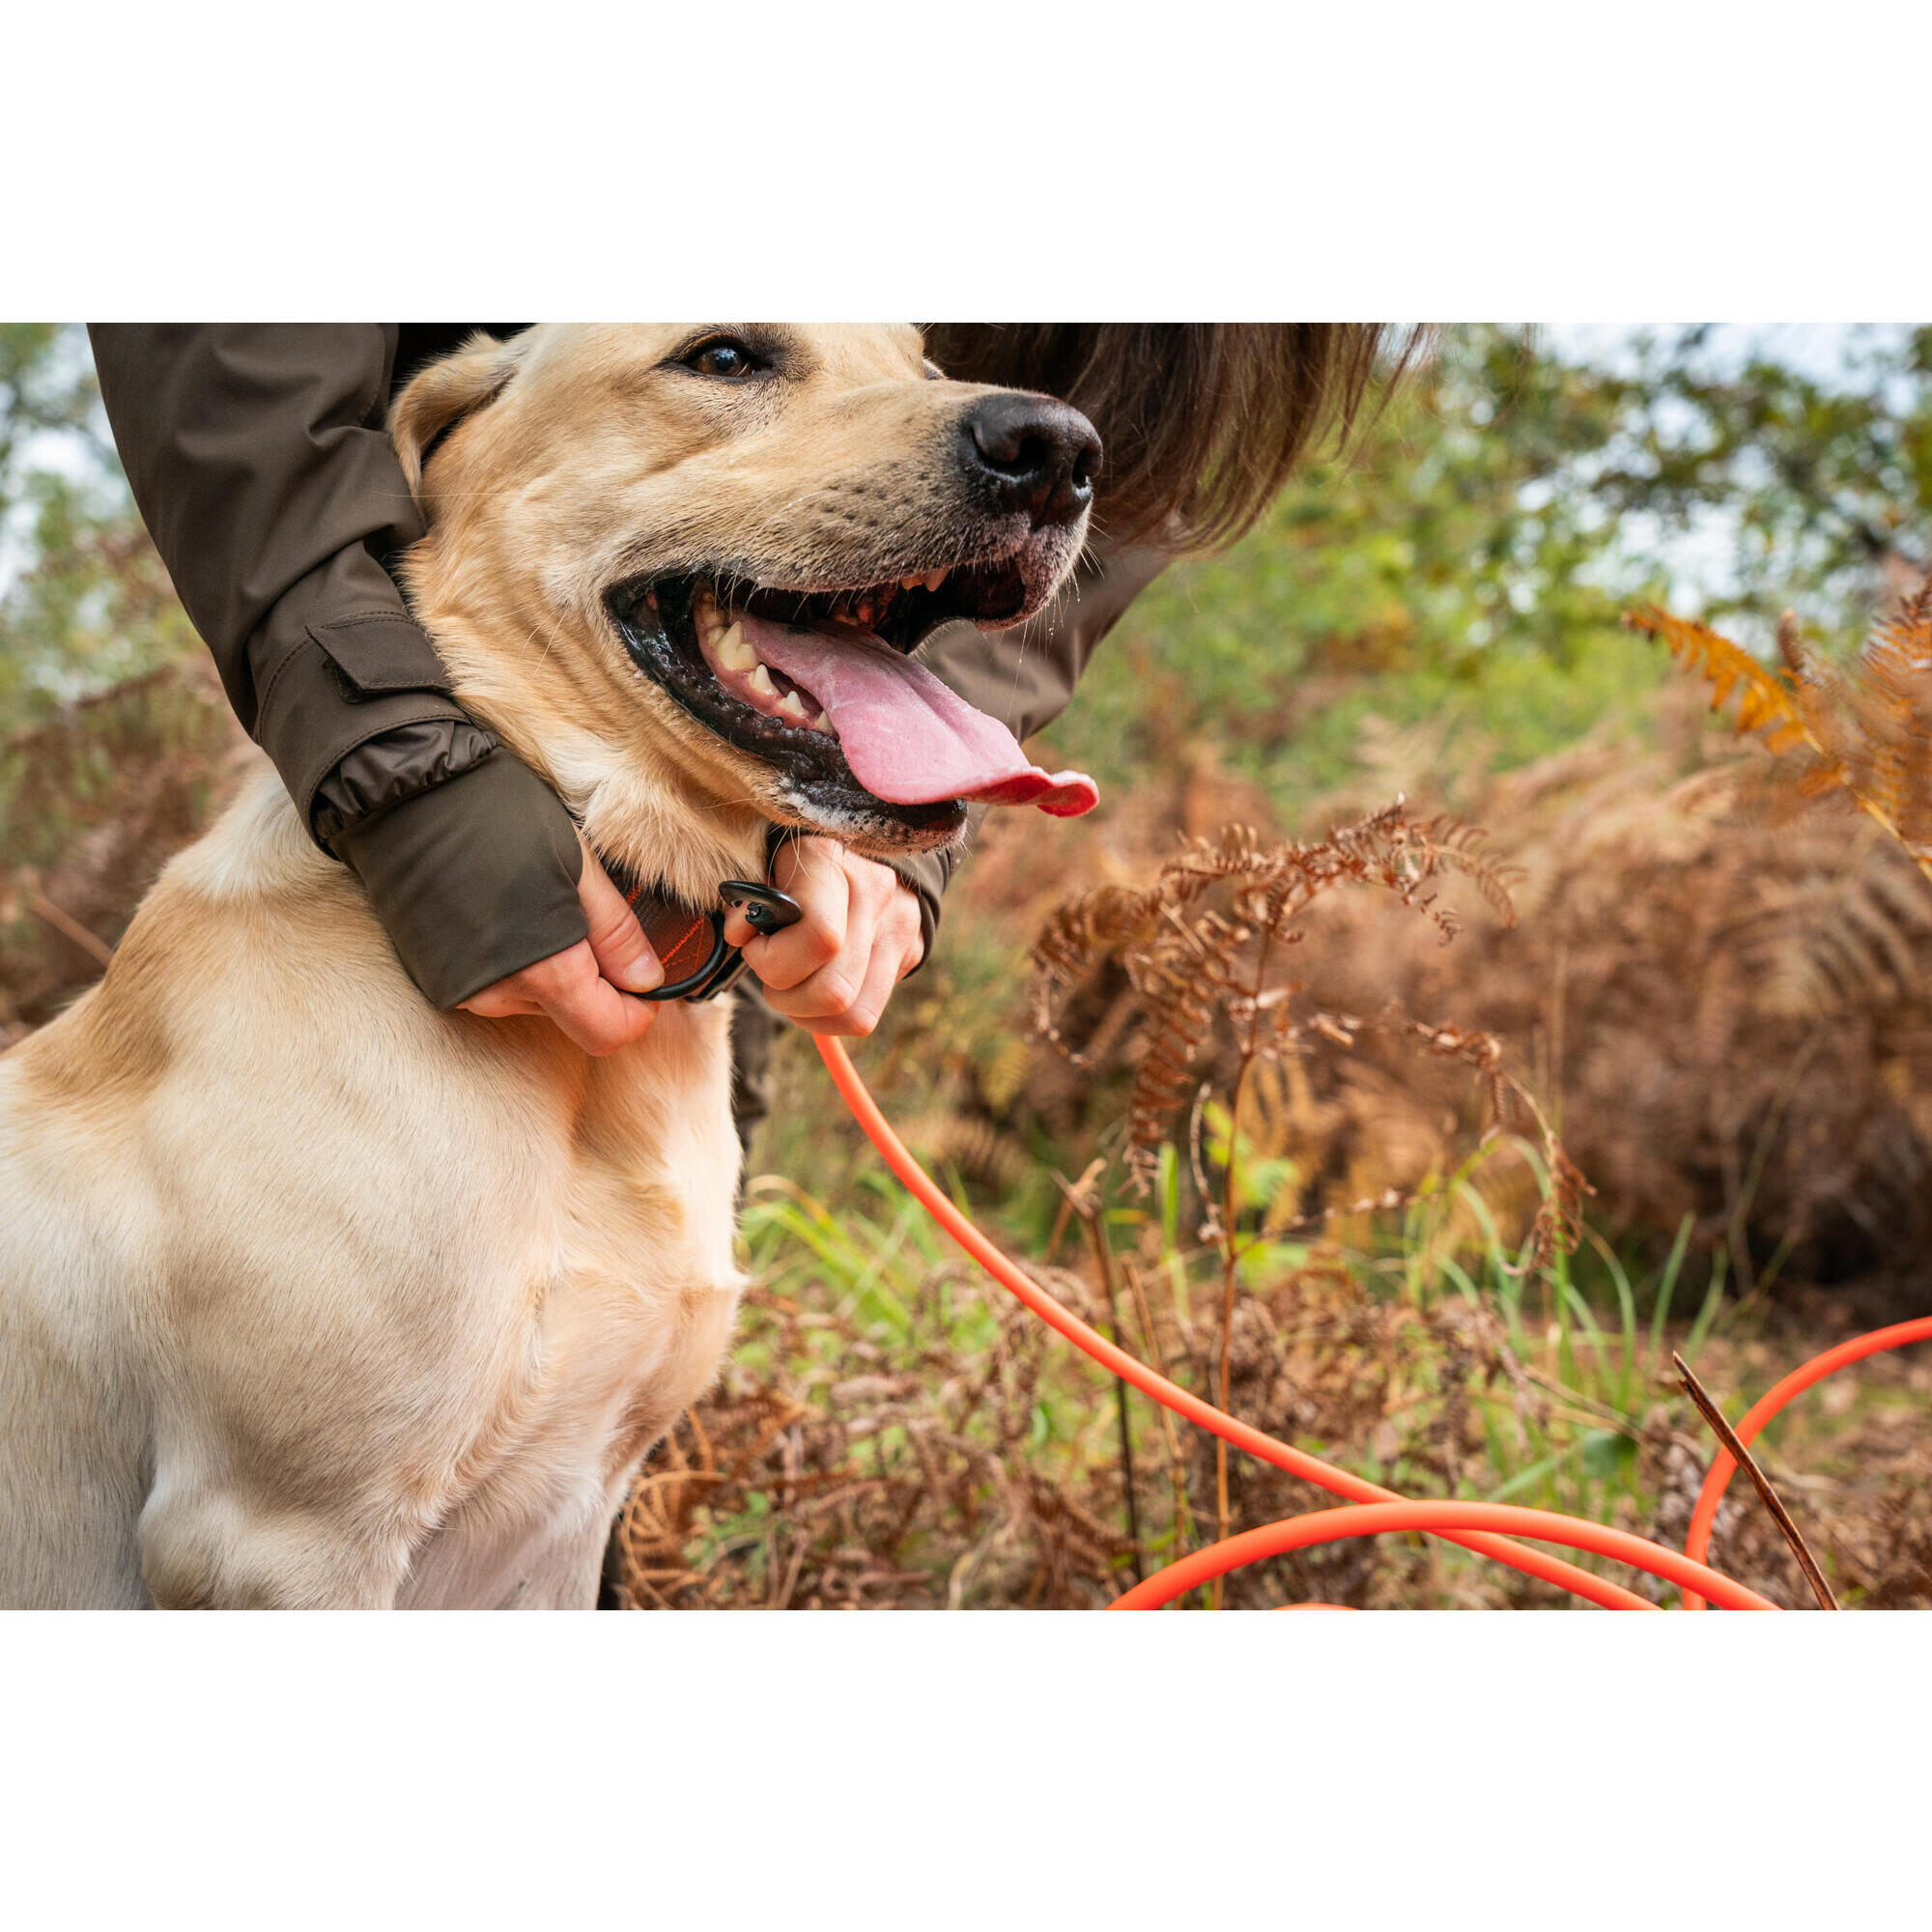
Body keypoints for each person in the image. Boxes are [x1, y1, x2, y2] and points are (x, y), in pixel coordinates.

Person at [88, 325, 1401, 1140]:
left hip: (724, 822)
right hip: (417, 602)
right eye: (729, 357)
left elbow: (1134, 447)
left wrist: (895, 837)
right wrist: (398, 755)